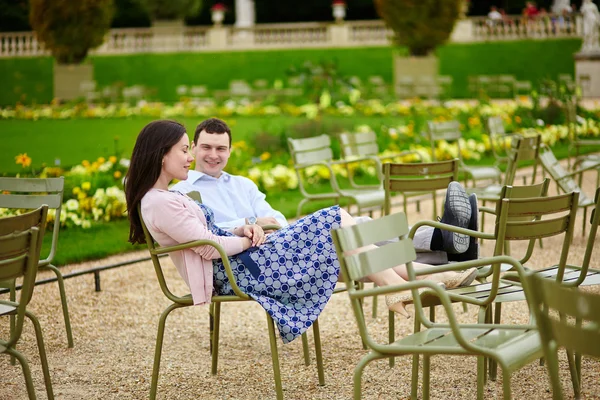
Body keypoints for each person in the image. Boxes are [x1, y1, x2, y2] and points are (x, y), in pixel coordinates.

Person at [125, 120, 478, 344]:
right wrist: (247, 235)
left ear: (230, 150)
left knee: (351, 248)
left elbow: (261, 221)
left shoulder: (172, 196)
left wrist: (248, 228)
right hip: (241, 268)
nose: (192, 157)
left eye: (217, 148)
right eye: (188, 149)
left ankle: (434, 274)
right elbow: (209, 246)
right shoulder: (164, 201)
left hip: (253, 257)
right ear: (161, 155)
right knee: (339, 219)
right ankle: (427, 259)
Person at [171, 118, 479, 265]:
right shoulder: (183, 191)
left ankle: (443, 249)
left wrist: (265, 223)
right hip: (248, 255)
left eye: (221, 148)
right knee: (343, 225)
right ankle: (442, 240)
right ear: (194, 147)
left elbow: (276, 216)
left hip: (279, 238)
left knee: (354, 227)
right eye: (207, 147)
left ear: (230, 150)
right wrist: (245, 227)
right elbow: (203, 232)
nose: (214, 154)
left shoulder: (242, 184)